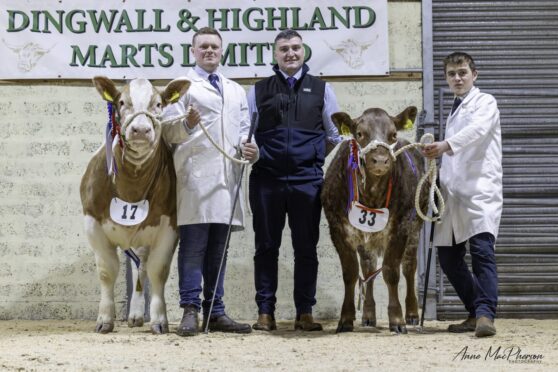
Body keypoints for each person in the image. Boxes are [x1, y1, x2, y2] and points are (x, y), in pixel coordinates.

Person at [163, 27, 259, 336]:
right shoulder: (182, 86)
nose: (209, 51)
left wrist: (251, 148)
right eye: (203, 46)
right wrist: (186, 124)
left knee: (219, 249)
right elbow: (167, 132)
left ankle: (215, 312)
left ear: (221, 51)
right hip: (194, 179)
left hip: (226, 178)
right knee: (193, 247)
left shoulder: (234, 89)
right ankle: (190, 310)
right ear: (193, 51)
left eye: (214, 47)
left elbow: (245, 129)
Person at [247, 29, 341, 331]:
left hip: (307, 182)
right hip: (266, 180)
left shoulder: (322, 89)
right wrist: (252, 151)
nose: (290, 53)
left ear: (304, 52)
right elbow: (245, 133)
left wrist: (312, 156)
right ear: (276, 54)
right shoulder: (259, 90)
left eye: (296, 48)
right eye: (284, 49)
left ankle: (304, 313)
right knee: (265, 247)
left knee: (306, 248)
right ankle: (265, 313)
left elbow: (334, 135)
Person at [422, 52, 502, 338]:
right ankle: (473, 311)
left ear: (474, 74)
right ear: (446, 78)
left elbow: (478, 131)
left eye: (462, 72)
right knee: (448, 258)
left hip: (480, 191)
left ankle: (485, 315)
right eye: (452, 74)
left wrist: (444, 146)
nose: (457, 78)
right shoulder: (454, 109)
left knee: (481, 253)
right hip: (451, 193)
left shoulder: (486, 102)